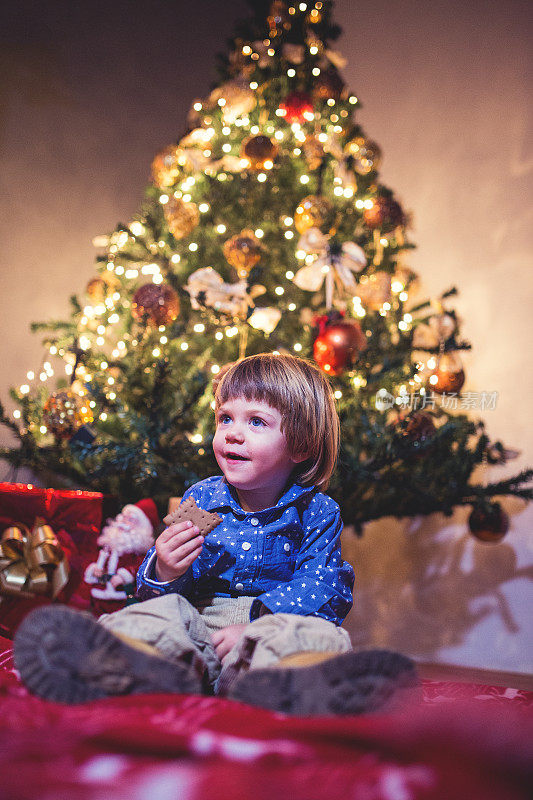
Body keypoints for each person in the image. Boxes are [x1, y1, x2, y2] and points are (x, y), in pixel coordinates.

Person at [14, 354, 419, 713]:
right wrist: (166, 570)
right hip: (199, 623)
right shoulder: (201, 498)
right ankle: (129, 665)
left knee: (321, 634)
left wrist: (257, 624)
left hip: (270, 626)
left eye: (256, 421)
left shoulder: (317, 511)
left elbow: (326, 588)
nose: (232, 433)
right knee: (154, 615)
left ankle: (290, 686)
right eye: (225, 418)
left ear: (301, 445)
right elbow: (155, 592)